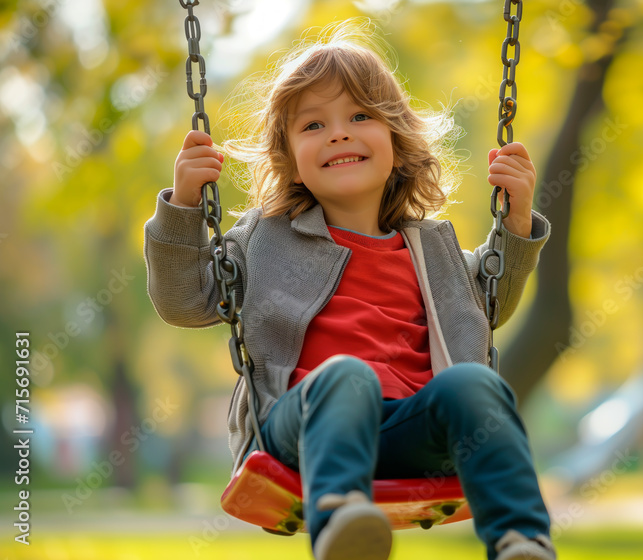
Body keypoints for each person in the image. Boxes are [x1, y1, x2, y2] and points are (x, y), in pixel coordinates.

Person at [143, 19, 555, 560]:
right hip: (304, 430)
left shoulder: (433, 248)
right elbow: (184, 300)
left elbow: (488, 302)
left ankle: (522, 540)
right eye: (313, 124)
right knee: (347, 376)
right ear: (289, 158)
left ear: (397, 143)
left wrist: (518, 221)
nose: (339, 132)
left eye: (360, 116)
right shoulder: (265, 238)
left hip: (409, 434)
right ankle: (342, 522)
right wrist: (185, 208)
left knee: (475, 386)